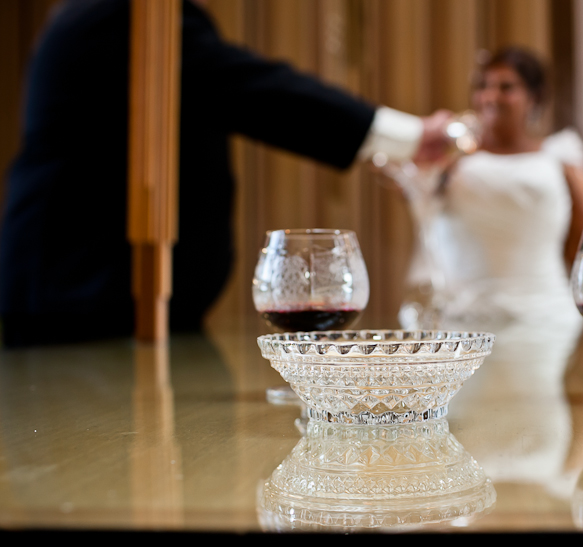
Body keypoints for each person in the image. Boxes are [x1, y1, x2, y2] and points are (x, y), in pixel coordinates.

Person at [0, 0, 451, 347]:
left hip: (98, 300)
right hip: (81, 301)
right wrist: (410, 137)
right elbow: (252, 89)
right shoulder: (124, 14)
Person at [401, 46, 583, 332]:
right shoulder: (452, 162)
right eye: (483, 86)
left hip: (546, 318)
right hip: (460, 323)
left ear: (534, 97)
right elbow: (410, 192)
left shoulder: (561, 158)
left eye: (506, 87)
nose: (491, 96)